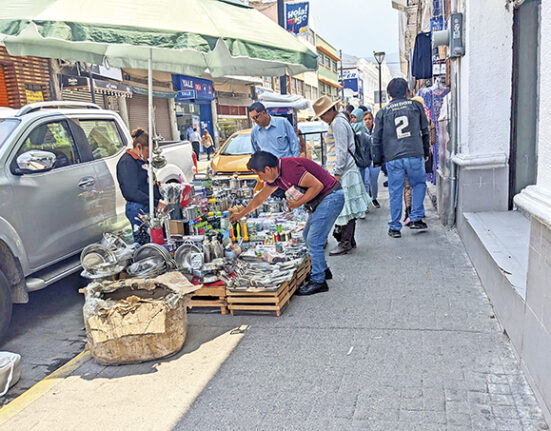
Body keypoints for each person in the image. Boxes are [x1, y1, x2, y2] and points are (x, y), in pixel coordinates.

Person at [230, 151, 344, 296]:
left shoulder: (289, 168)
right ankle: (322, 269)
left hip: (331, 197)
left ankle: (319, 281)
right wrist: (240, 214)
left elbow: (317, 186)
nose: (260, 178)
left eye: (259, 174)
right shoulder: (275, 177)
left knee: (314, 240)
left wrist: (298, 203)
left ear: (267, 169)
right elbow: (260, 198)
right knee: (307, 235)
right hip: (323, 200)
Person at [372, 78, 430, 238]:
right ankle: (416, 218)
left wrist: (377, 158)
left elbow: (376, 138)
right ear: (406, 91)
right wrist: (426, 152)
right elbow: (425, 131)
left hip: (393, 156)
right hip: (414, 152)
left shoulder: (383, 112)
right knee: (418, 184)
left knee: (395, 191)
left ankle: (395, 227)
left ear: (389, 94)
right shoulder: (416, 106)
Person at [313, 96, 370, 255]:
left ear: (330, 111)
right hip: (346, 170)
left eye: (323, 115)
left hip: (343, 171)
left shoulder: (337, 123)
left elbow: (341, 151)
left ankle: (345, 242)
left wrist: (336, 173)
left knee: (344, 207)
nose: (323, 119)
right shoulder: (339, 121)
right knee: (347, 207)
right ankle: (348, 240)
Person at [116, 128, 165, 244]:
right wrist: (156, 202)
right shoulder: (127, 162)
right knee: (143, 242)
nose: (149, 155)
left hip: (148, 205)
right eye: (148, 151)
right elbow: (131, 192)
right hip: (138, 207)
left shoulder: (142, 161)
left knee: (155, 240)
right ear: (139, 147)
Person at [350, 108, 372, 219]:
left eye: (355, 117)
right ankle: (364, 205)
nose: (353, 119)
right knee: (363, 182)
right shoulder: (361, 127)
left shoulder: (357, 127)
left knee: (361, 183)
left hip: (359, 159)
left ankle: (362, 206)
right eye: (352, 117)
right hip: (363, 159)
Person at [363, 111, 381, 209]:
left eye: (369, 119)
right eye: (365, 119)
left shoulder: (376, 130)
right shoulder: (361, 130)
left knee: (373, 181)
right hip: (364, 160)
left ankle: (374, 198)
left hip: (375, 159)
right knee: (365, 181)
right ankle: (366, 201)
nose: (367, 121)